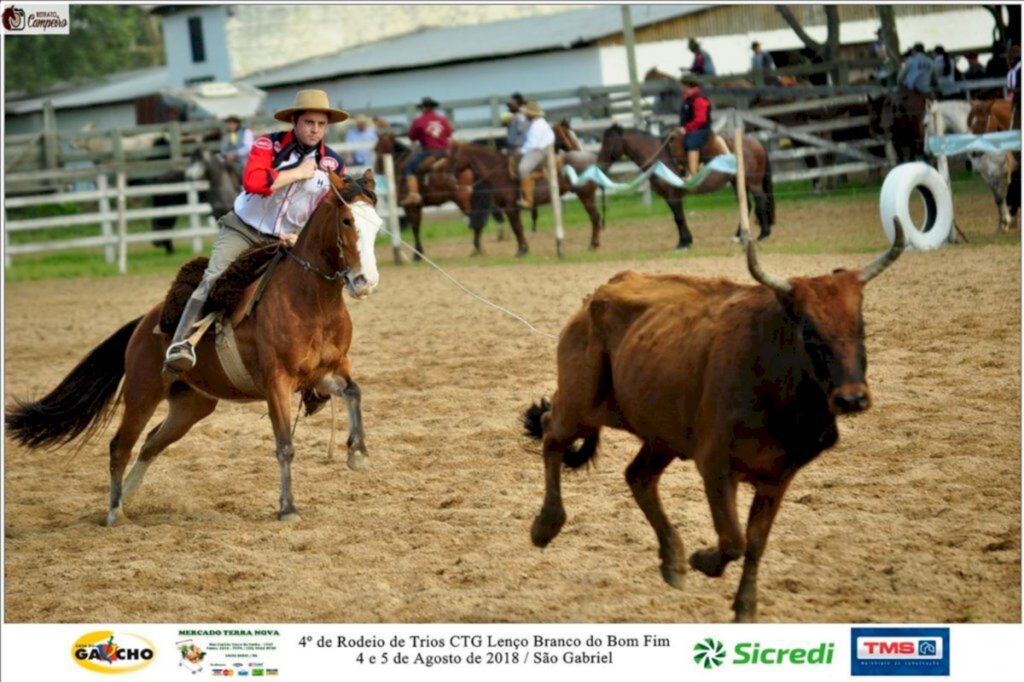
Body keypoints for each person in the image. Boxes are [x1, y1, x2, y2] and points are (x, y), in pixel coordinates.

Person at [163, 89, 349, 376]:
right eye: (309, 122)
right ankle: (181, 343)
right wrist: (298, 172)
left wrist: (299, 233)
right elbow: (254, 182)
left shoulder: (334, 164)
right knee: (215, 276)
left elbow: (324, 208)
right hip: (243, 229)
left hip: (285, 240)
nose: (315, 129)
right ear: (295, 122)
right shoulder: (268, 145)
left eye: (321, 124)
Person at [401, 96, 453, 206]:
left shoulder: (419, 121)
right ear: (433, 108)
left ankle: (414, 194)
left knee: (408, 167)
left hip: (429, 152)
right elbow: (449, 133)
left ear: (423, 108)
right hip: (444, 151)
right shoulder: (443, 119)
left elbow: (412, 137)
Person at [515, 101, 554, 209]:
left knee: (523, 168)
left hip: (539, 150)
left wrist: (520, 151)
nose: (525, 115)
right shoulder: (538, 123)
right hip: (542, 148)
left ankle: (528, 200)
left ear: (530, 114)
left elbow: (532, 144)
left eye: (526, 113)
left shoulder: (537, 126)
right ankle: (539, 175)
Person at [677, 74, 712, 178]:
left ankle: (693, 173)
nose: (681, 88)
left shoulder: (699, 99)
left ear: (687, 86)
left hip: (701, 130)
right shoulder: (687, 98)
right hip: (689, 130)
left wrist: (686, 129)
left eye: (682, 85)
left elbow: (701, 120)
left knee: (691, 143)